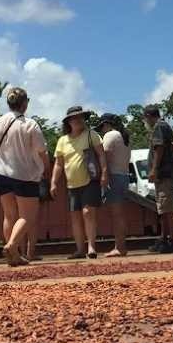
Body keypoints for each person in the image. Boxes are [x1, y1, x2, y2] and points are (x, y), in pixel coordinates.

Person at [0, 87, 48, 266]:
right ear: (25, 103)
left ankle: (14, 256)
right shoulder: (30, 124)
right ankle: (12, 245)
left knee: (9, 215)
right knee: (27, 216)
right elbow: (41, 151)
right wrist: (46, 168)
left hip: (1, 174)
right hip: (24, 174)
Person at [51, 106, 106, 259]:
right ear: (68, 121)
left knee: (88, 213)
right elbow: (58, 164)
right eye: (74, 118)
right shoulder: (62, 140)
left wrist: (104, 173)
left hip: (90, 180)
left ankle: (91, 247)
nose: (78, 120)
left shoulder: (91, 135)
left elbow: (101, 155)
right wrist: (53, 182)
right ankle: (80, 249)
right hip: (71, 184)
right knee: (75, 216)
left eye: (80, 117)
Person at [143, 105, 173, 254]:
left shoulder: (159, 126)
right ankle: (164, 238)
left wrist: (154, 169)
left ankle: (172, 240)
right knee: (162, 208)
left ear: (149, 116)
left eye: (145, 118)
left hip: (164, 173)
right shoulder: (164, 126)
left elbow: (159, 148)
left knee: (166, 207)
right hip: (164, 174)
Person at [96, 114, 132, 257]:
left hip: (114, 177)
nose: (102, 130)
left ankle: (120, 247)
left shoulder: (110, 135)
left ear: (107, 124)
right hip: (124, 176)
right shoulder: (125, 136)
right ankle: (120, 245)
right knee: (120, 214)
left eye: (102, 127)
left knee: (117, 215)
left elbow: (104, 157)